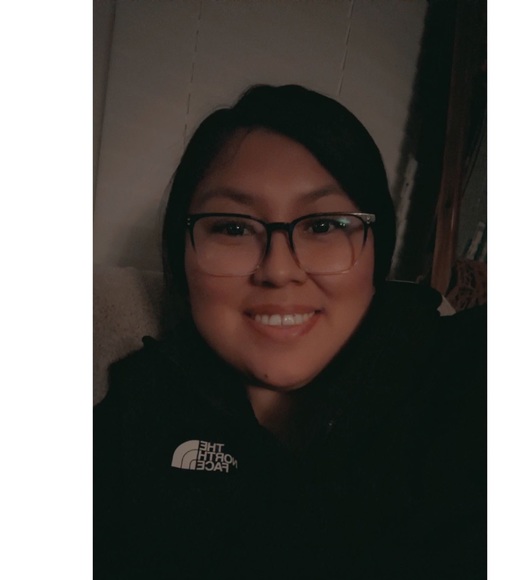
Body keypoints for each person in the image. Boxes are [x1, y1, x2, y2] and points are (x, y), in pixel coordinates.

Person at [94, 84, 486, 579]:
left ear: (376, 251)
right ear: (181, 256)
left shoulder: (466, 373)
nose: (279, 270)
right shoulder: (133, 415)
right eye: (234, 228)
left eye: (323, 226)